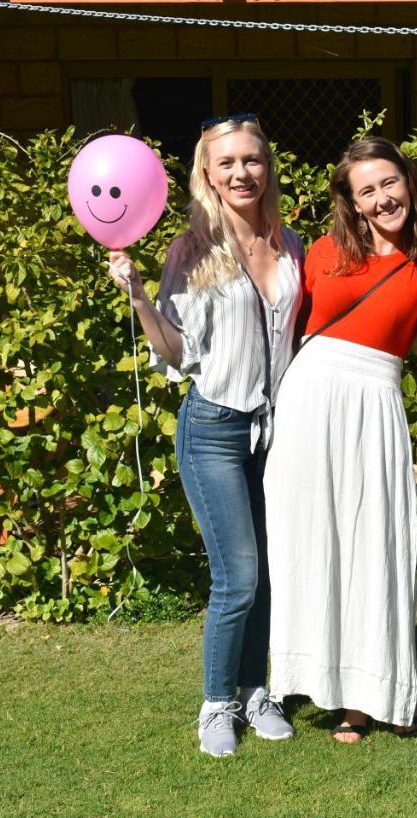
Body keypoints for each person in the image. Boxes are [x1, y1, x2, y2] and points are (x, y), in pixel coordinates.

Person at [108, 114, 304, 757]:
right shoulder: (190, 252)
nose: (242, 173)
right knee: (237, 577)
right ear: (208, 174)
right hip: (215, 428)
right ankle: (216, 704)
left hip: (274, 431)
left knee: (268, 573)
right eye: (227, 164)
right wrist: (139, 296)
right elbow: (176, 352)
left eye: (251, 160)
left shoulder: (290, 244)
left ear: (266, 166)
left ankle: (256, 691)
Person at [265, 137, 417, 744]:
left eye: (389, 183)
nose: (381, 199)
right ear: (351, 202)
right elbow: (285, 330)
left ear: (408, 181)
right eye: (366, 191)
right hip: (309, 399)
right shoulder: (322, 251)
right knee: (315, 540)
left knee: (375, 541)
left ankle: (386, 691)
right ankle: (340, 695)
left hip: (375, 399)